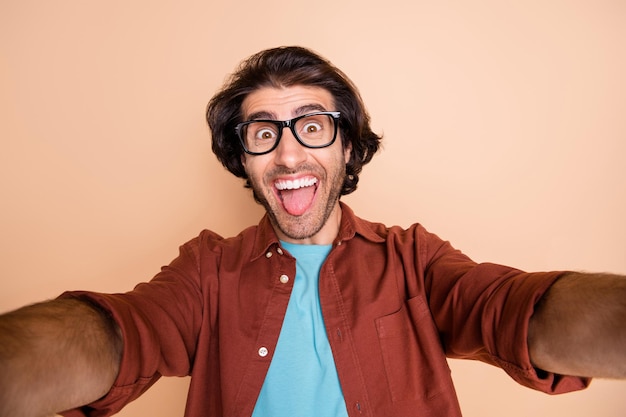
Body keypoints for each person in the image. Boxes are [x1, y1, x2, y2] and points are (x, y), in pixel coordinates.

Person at [0, 46, 624, 417]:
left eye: (314, 125)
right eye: (264, 131)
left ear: (349, 149)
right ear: (242, 159)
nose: (290, 154)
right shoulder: (207, 269)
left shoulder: (412, 259)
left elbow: (514, 310)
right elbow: (121, 334)